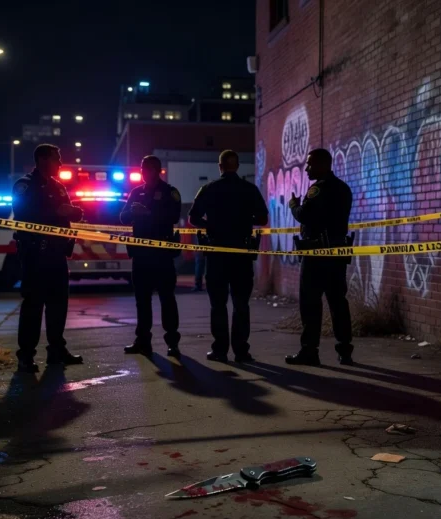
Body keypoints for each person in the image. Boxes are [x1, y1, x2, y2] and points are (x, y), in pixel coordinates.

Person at [189, 150, 269, 363]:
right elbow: (262, 218)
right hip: (242, 254)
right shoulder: (249, 189)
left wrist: (212, 225)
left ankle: (220, 350)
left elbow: (193, 218)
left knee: (218, 304)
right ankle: (242, 351)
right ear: (237, 166)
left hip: (217, 254)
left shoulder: (208, 189)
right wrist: (243, 220)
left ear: (220, 166)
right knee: (241, 304)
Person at [11, 144, 85, 373]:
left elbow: (73, 212)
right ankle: (26, 356)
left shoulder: (58, 186)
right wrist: (58, 213)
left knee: (58, 303)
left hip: (56, 253)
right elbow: (23, 214)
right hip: (35, 253)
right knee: (33, 304)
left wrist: (73, 212)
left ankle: (56, 351)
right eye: (57, 158)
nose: (60, 163)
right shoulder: (25, 185)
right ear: (43, 159)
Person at [285, 148, 354, 366]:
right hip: (337, 254)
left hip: (316, 255)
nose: (306, 168)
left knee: (311, 304)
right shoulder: (343, 188)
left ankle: (309, 351)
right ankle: (345, 351)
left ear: (324, 164)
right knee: (338, 303)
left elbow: (305, 216)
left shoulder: (317, 190)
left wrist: (294, 205)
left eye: (310, 164)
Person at [121, 155, 183, 358]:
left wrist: (148, 214)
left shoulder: (169, 192)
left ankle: (172, 342)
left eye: (146, 168)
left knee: (167, 299)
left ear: (156, 170)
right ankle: (142, 341)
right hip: (141, 255)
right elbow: (123, 217)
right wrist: (132, 211)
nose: (143, 172)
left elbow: (174, 217)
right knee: (142, 301)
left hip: (162, 255)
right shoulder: (136, 192)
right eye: (142, 168)